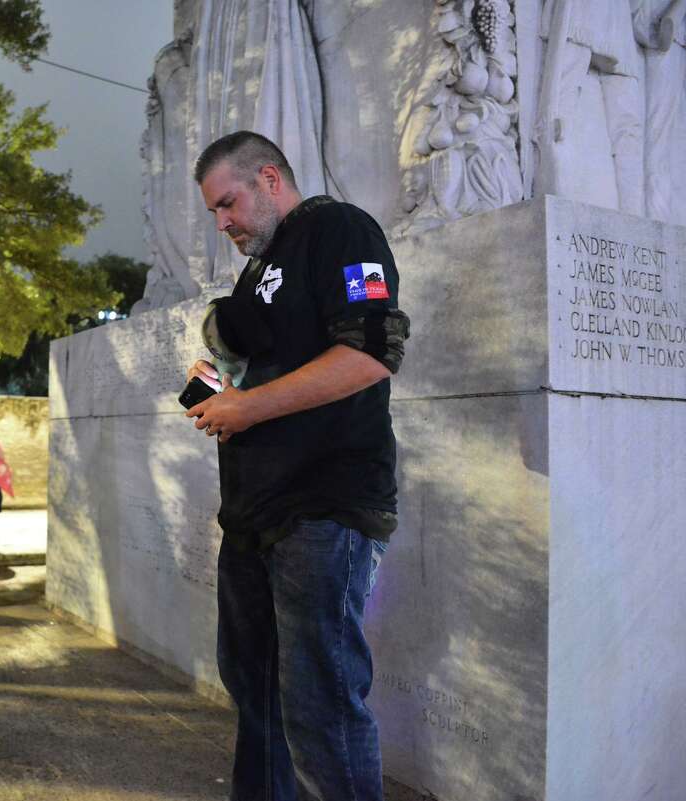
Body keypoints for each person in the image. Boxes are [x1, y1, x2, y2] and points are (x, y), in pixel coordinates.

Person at [184, 131, 409, 801]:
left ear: (270, 179)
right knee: (255, 697)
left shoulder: (341, 229)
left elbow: (372, 352)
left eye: (228, 203)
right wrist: (219, 383)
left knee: (320, 709)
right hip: (252, 515)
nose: (222, 222)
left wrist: (247, 406)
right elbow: (258, 367)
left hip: (323, 509)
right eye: (213, 211)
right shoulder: (256, 271)